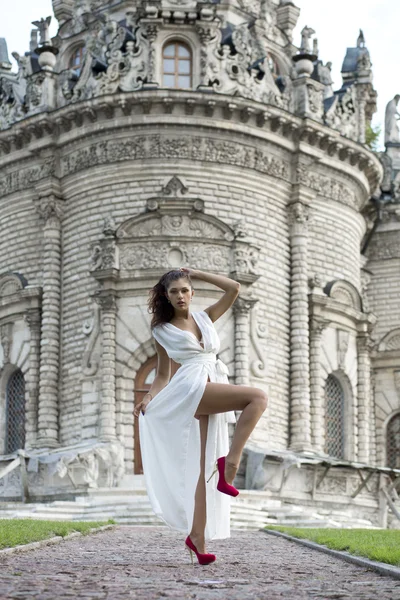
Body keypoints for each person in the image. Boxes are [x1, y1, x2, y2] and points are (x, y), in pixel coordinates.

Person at [135, 267, 268, 565]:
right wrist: (149, 396)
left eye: (184, 290)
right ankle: (230, 464)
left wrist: (196, 272)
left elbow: (234, 288)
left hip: (210, 379)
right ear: (166, 297)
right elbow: (163, 374)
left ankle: (197, 537)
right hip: (190, 388)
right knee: (257, 397)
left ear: (192, 292)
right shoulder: (161, 330)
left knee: (202, 467)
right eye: (173, 292)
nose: (180, 296)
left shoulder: (205, 318)